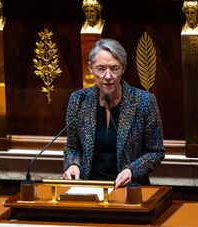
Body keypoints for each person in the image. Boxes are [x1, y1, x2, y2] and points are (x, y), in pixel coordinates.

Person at [63, 38, 165, 188]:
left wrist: (132, 170)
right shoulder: (79, 100)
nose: (108, 76)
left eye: (114, 68)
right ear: (90, 68)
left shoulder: (144, 101)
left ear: (123, 68)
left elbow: (155, 152)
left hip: (129, 189)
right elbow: (72, 146)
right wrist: (73, 165)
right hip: (88, 187)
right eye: (101, 68)